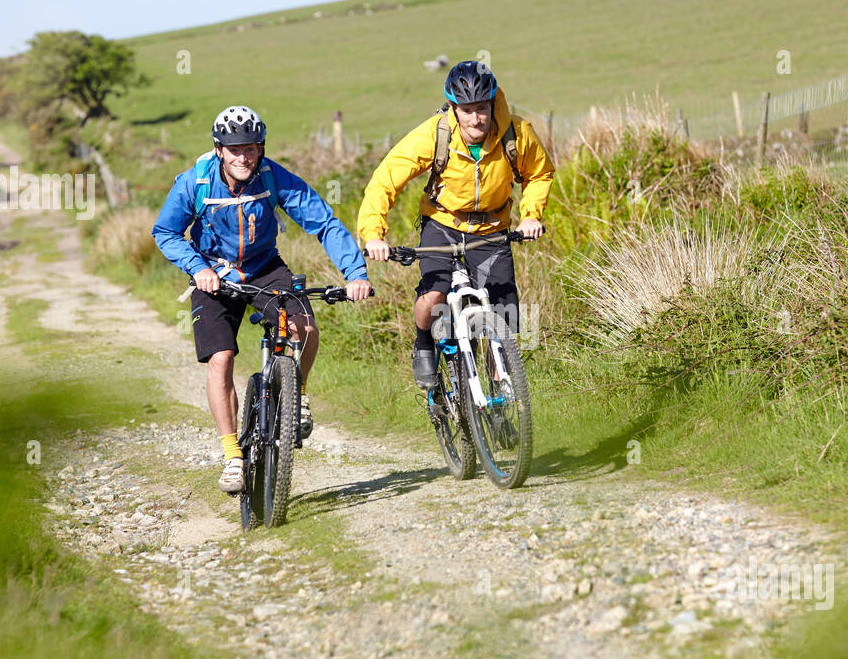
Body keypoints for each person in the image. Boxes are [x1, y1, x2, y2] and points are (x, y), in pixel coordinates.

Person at [152, 105, 371, 493]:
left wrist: (354, 273)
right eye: (234, 149)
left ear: (261, 148)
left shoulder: (272, 176)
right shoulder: (194, 183)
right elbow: (165, 232)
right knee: (221, 359)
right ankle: (232, 455)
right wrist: (196, 267)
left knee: (304, 326)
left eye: (251, 148)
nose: (243, 157)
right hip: (213, 274)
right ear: (219, 150)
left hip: (265, 267)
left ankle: (297, 394)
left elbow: (323, 222)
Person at [358, 61, 554, 387]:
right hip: (443, 224)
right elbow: (384, 181)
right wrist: (374, 234)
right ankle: (423, 343)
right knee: (434, 295)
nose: (475, 118)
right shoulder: (435, 134)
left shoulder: (516, 133)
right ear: (453, 108)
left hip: (492, 229)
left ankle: (503, 392)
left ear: (493, 104)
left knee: (504, 314)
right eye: (466, 110)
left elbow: (540, 173)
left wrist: (532, 214)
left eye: (481, 109)